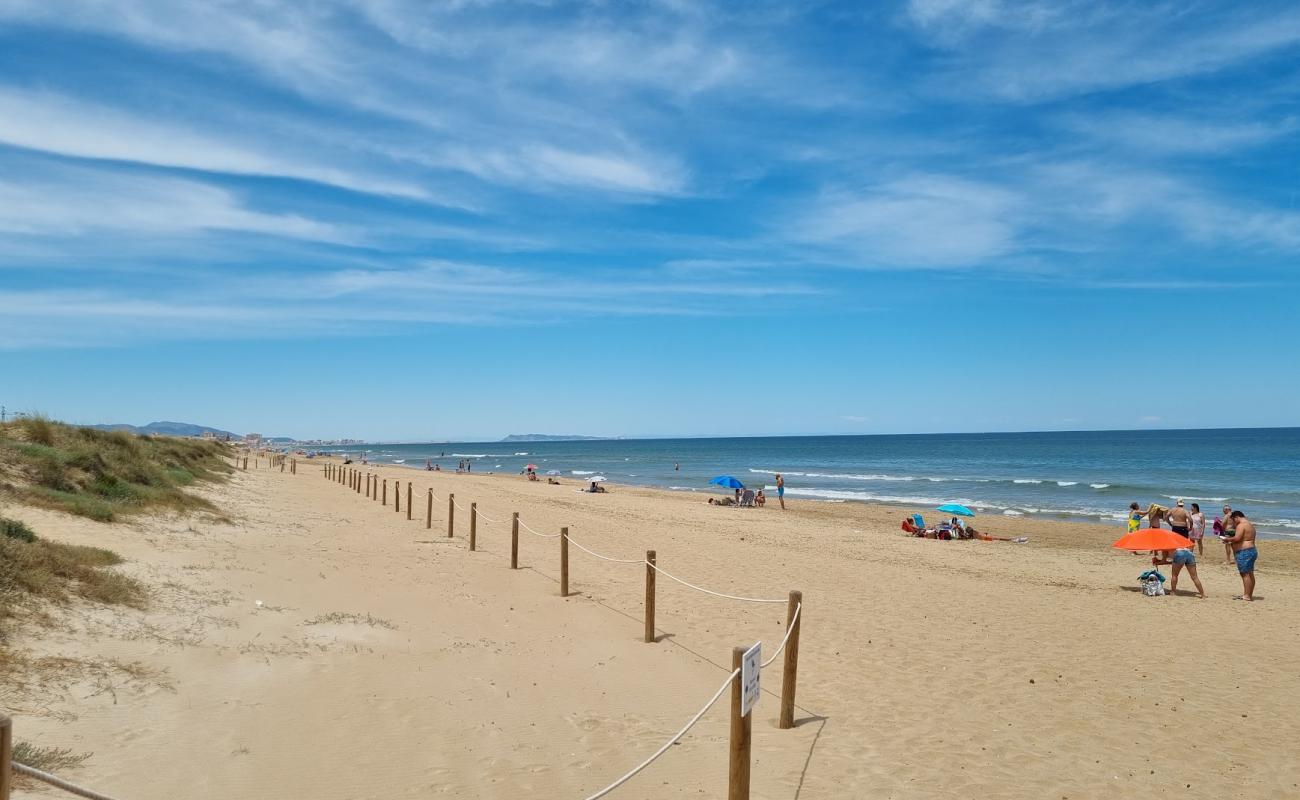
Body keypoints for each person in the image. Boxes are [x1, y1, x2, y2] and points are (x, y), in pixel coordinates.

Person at [1223, 510, 1258, 600]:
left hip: (1245, 552)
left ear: (1236, 517)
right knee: (1250, 574)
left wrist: (1227, 539)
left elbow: (1237, 538)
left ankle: (1246, 595)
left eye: (1234, 521)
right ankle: (1249, 594)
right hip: (1252, 550)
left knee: (1244, 574)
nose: (1234, 523)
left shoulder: (1241, 525)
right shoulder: (1250, 525)